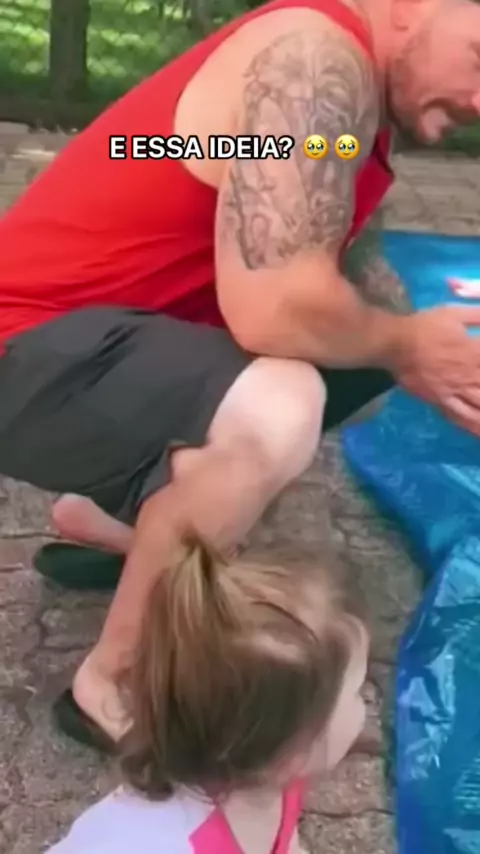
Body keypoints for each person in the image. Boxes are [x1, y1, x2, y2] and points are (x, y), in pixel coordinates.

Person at [0, 0, 480, 747]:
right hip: (23, 346)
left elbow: (351, 276)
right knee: (279, 406)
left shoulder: (354, 103)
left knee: (359, 356)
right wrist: (405, 344)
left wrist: (416, 349)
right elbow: (275, 304)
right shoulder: (313, 59)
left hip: (85, 340)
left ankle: (119, 525)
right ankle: (114, 684)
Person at [46, 537, 368, 854]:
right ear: (294, 751)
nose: (364, 705)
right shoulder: (164, 844)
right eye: (355, 693)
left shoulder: (271, 772)